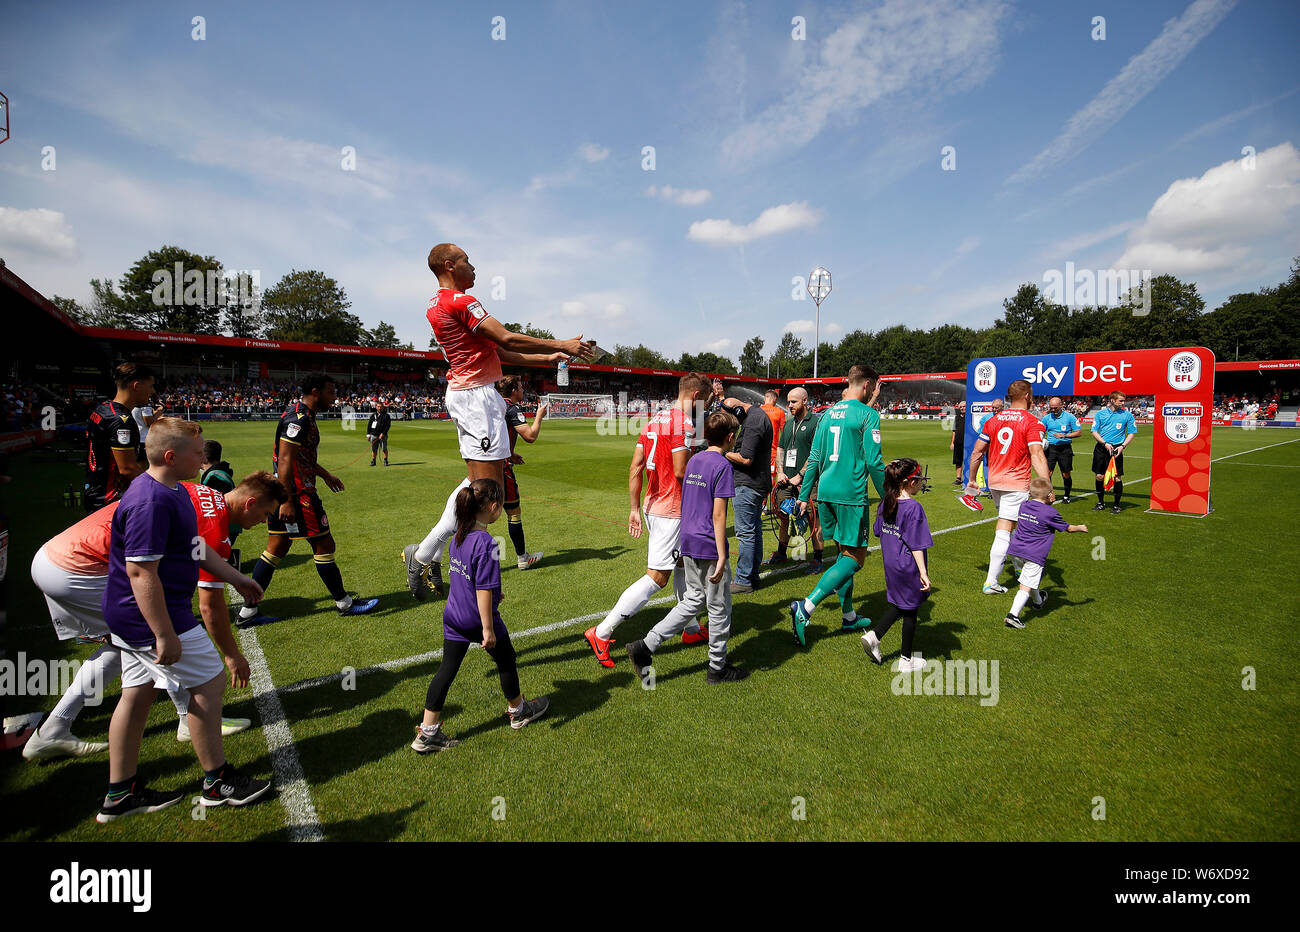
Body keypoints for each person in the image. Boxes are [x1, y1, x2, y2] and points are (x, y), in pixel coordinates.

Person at [24, 472, 282, 760]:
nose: (264, 521)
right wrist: (232, 655)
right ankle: (201, 748)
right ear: (250, 503)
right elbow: (210, 607)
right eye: (266, 513)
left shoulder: (193, 490)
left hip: (58, 555)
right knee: (162, 636)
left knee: (124, 645)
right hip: (82, 567)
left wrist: (234, 577)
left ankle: (55, 729)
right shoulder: (214, 524)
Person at [96, 418, 270, 821]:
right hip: (149, 616)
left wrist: (237, 577)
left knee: (137, 694)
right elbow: (141, 573)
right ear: (171, 457)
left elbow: (193, 547)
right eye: (197, 452)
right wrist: (163, 633)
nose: (204, 457)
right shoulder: (150, 500)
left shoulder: (171, 490)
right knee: (209, 680)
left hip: (136, 614)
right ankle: (217, 781)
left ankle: (120, 793)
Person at [403, 243, 595, 601]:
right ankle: (456, 572)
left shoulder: (436, 304)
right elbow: (505, 337)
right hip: (476, 398)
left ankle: (427, 555)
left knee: (479, 485)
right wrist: (563, 343)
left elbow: (500, 351)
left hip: (475, 394)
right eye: (466, 261)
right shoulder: (460, 302)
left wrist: (549, 355)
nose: (473, 267)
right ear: (449, 265)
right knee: (488, 499)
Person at [410, 479, 549, 753]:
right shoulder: (486, 541)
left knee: (446, 671)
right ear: (495, 508)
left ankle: (427, 733)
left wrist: (496, 594)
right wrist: (488, 629)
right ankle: (519, 711)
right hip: (476, 619)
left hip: (453, 616)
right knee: (507, 660)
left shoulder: (459, 534)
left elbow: (468, 579)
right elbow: (482, 589)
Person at [584, 373, 711, 667]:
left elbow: (636, 465)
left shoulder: (655, 420)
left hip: (653, 504)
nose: (703, 408)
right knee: (657, 577)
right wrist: (709, 473)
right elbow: (681, 471)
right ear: (695, 397)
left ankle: (690, 628)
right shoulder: (684, 422)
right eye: (703, 402)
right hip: (673, 509)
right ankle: (601, 632)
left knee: (682, 564)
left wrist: (633, 507)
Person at [236, 373, 378, 627]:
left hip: (289, 489)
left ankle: (248, 612)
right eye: (331, 392)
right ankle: (344, 603)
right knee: (324, 545)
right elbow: (286, 459)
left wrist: (325, 475)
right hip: (298, 494)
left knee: (276, 548)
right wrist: (288, 500)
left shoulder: (301, 414)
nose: (334, 398)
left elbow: (301, 457)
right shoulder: (298, 419)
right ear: (316, 391)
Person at [624, 410, 748, 685]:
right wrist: (722, 554)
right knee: (718, 606)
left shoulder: (694, 460)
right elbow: (719, 515)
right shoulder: (723, 466)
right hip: (708, 544)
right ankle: (718, 667)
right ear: (730, 438)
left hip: (688, 539)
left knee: (693, 598)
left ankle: (646, 645)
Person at [789, 365, 886, 645]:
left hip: (826, 491)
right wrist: (890, 497)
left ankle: (849, 616)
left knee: (843, 553)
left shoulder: (828, 413)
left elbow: (815, 456)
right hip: (851, 493)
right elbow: (874, 462)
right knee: (855, 558)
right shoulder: (868, 414)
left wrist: (804, 496)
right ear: (868, 385)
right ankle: (806, 607)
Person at [965, 380, 1049, 595]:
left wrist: (972, 479)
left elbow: (977, 452)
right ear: (1028, 396)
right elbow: (1037, 454)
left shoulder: (993, 420)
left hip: (995, 482)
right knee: (1005, 530)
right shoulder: (1032, 421)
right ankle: (991, 581)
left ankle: (1019, 569)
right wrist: (1047, 486)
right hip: (1016, 483)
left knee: (1011, 527)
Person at [862, 458, 932, 672]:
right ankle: (906, 660)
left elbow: (877, 530)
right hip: (908, 565)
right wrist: (923, 572)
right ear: (910, 483)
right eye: (919, 479)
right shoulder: (913, 507)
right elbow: (916, 544)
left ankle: (875, 636)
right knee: (911, 611)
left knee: (900, 604)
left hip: (891, 564)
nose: (921, 483)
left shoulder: (886, 502)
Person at [1003, 478, 1088, 628]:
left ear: (1029, 493)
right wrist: (1080, 527)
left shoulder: (1024, 505)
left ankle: (1038, 601)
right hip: (1034, 554)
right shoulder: (1050, 512)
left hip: (1016, 550)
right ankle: (1013, 616)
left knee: (1030, 579)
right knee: (1025, 586)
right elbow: (1068, 529)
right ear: (1050, 495)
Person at [85, 362, 154, 512]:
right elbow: (127, 468)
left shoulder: (103, 409)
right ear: (136, 386)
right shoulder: (120, 420)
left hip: (95, 491)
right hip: (110, 499)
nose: (152, 391)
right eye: (150, 386)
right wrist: (155, 488)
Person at [723, 396, 773, 593]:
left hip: (748, 484)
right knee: (754, 531)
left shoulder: (752, 421)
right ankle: (752, 576)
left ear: (737, 411)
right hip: (756, 483)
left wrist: (722, 452)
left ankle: (743, 580)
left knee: (746, 533)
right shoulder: (756, 417)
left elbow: (745, 459)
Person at [770, 386, 822, 569]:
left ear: (805, 401)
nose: (789, 405)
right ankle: (781, 552)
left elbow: (816, 454)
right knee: (784, 514)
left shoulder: (815, 423)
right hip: (786, 480)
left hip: (809, 481)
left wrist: (800, 476)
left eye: (794, 402)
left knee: (812, 520)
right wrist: (780, 472)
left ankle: (818, 558)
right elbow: (781, 449)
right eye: (789, 401)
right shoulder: (789, 423)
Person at [497, 375, 546, 570]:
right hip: (502, 468)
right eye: (520, 387)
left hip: (488, 462)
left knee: (478, 513)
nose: (523, 390)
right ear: (514, 391)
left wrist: (510, 453)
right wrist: (539, 416)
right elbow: (530, 436)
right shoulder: (512, 408)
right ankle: (522, 558)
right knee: (513, 512)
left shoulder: (496, 406)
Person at [1090, 391, 1137, 514]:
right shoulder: (1100, 414)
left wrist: (1122, 446)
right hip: (1102, 448)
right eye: (1120, 400)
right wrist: (1104, 443)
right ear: (1112, 400)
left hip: (1117, 449)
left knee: (1116, 477)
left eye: (1123, 400)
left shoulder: (1127, 415)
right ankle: (1100, 503)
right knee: (1099, 476)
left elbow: (1132, 433)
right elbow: (1094, 431)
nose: (1123, 403)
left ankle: (1116, 505)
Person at [1040, 396, 1082, 503]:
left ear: (1061, 406)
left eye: (1055, 408)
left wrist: (1065, 436)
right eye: (1051, 408)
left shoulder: (1070, 417)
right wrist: (1041, 440)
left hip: (1065, 449)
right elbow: (1041, 431)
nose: (1053, 410)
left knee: (1065, 474)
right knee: (1048, 473)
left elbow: (1078, 432)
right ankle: (1049, 494)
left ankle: (1067, 496)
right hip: (1050, 449)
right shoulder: (1047, 418)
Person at [759, 389, 787, 511]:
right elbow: (785, 434)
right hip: (772, 453)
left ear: (765, 398)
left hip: (757, 452)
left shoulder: (757, 411)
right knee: (771, 480)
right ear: (774, 399)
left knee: (757, 478)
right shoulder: (780, 412)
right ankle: (771, 505)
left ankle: (760, 505)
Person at [950, 400, 966, 486]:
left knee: (968, 461)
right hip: (958, 442)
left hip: (967, 443)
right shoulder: (957, 418)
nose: (962, 408)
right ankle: (958, 478)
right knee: (958, 461)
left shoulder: (969, 417)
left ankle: (968, 478)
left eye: (964, 407)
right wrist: (952, 443)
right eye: (961, 407)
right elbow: (954, 431)